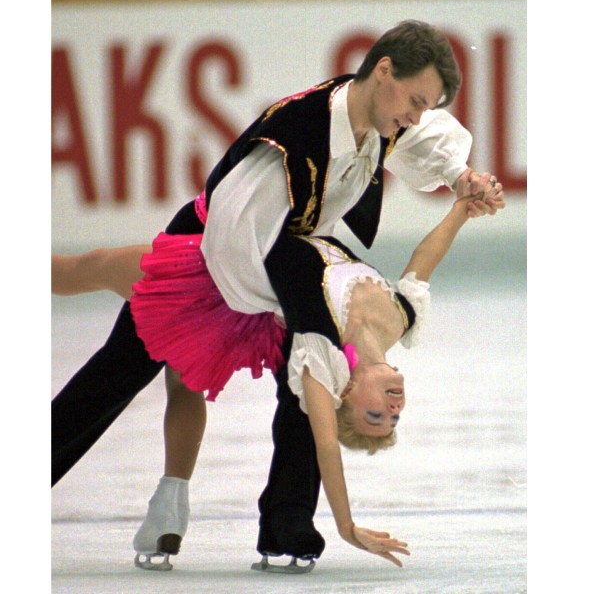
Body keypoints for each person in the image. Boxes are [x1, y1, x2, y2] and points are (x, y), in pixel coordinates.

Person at [51, 19, 505, 571]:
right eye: (415, 100)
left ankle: (287, 530)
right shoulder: (293, 137)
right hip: (208, 262)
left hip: (278, 279)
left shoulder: (382, 114)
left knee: (304, 381)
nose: (414, 116)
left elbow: (424, 141)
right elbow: (231, 237)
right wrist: (298, 301)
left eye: (423, 106)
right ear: (383, 70)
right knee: (118, 365)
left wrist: (460, 181)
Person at [53, 183, 492, 570]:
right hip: (247, 259)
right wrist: (460, 209)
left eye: (376, 416)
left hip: (207, 272)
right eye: (394, 419)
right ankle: (170, 505)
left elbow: (323, 443)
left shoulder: (320, 357)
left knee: (88, 269)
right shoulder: (405, 318)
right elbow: (423, 261)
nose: (394, 410)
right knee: (179, 377)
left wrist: (346, 525)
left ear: (347, 393)